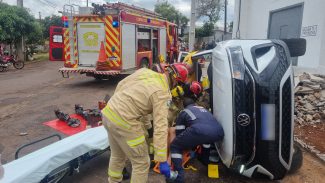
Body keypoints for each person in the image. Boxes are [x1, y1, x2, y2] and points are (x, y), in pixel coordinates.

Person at [101, 64, 189, 183]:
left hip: (109, 112)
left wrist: (147, 127)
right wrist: (162, 159)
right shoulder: (163, 93)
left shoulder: (145, 72)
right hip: (125, 121)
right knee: (141, 162)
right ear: (175, 80)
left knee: (118, 155)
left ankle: (113, 181)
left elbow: (121, 85)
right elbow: (161, 126)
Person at [169, 98, 224, 183]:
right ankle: (205, 160)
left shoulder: (184, 112)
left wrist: (186, 145)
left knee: (175, 146)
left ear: (184, 106)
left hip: (199, 131)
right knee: (206, 140)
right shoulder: (203, 109)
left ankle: (178, 176)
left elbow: (179, 131)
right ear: (195, 103)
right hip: (219, 132)